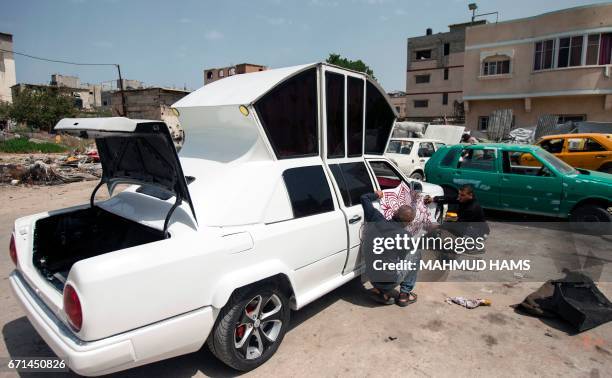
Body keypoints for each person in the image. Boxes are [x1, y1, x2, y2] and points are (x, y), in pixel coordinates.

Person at [360, 190, 420, 307]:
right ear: (409, 223)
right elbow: (402, 258)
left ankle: (380, 292)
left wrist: (377, 195)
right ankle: (404, 295)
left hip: (371, 276)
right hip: (388, 281)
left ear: (394, 212)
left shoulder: (376, 219)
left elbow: (364, 197)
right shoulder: (404, 236)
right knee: (416, 254)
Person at [424, 184, 490, 240]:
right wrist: (434, 199)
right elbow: (449, 198)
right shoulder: (464, 199)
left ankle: (474, 245)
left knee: (454, 228)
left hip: (479, 231)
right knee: (449, 220)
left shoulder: (472, 208)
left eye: (462, 195)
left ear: (470, 195)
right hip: (466, 224)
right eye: (459, 194)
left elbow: (458, 223)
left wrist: (437, 226)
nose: (459, 197)